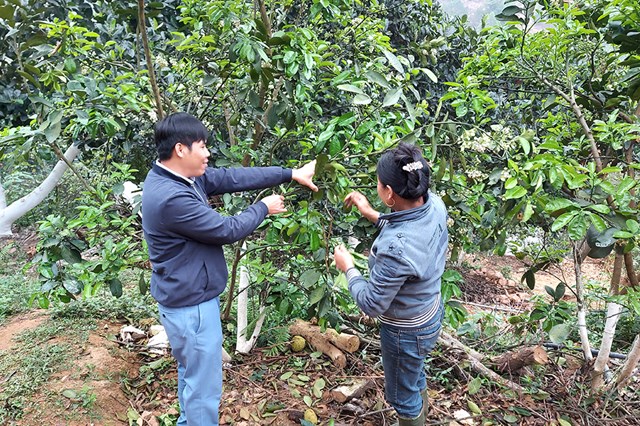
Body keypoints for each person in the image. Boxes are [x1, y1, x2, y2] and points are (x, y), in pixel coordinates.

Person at [141, 112, 318, 425]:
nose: (208, 153)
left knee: (192, 376)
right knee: (203, 389)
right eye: (202, 146)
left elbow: (232, 178)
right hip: (191, 307)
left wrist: (289, 173)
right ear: (181, 150)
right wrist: (264, 207)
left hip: (188, 300)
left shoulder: (178, 177)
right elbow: (226, 230)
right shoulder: (172, 197)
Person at [333, 142, 448, 426]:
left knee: (401, 395)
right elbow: (408, 228)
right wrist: (373, 214)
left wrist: (348, 268)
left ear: (389, 193)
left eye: (379, 184)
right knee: (413, 373)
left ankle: (411, 418)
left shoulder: (396, 248)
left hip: (405, 331)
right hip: (429, 311)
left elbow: (372, 303)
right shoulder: (433, 204)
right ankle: (418, 412)